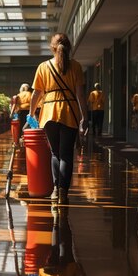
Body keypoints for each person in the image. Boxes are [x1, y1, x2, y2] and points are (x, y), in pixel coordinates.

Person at [29, 33, 88, 204]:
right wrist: (85, 117)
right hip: (70, 112)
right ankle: (63, 191)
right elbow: (80, 95)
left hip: (48, 114)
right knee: (67, 154)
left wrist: (32, 113)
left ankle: (55, 189)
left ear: (52, 47)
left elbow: (37, 93)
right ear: (68, 47)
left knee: (55, 153)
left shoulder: (43, 67)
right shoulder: (76, 66)